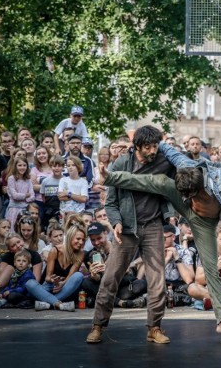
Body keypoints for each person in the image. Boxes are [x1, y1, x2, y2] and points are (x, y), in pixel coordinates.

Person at [94, 137, 221, 344]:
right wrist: (130, 151)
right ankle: (110, 177)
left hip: (204, 224)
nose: (191, 197)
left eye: (193, 194)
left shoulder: (219, 177)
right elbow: (165, 148)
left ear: (200, 187)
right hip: (185, 211)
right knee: (160, 181)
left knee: (211, 269)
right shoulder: (184, 165)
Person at [87, 126, 177, 345]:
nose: (153, 150)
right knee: (110, 278)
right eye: (148, 146)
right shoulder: (121, 164)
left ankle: (154, 328)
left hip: (153, 225)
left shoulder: (163, 162)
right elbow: (110, 202)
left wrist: (171, 213)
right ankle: (98, 326)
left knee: (157, 280)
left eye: (156, 145)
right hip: (126, 228)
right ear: (137, 146)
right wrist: (116, 222)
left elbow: (177, 179)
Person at [25, 225, 86, 311]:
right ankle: (58, 304)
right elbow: (47, 277)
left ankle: (49, 303)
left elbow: (70, 277)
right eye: (78, 239)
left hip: (65, 288)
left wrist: (62, 283)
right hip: (50, 286)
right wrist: (54, 280)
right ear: (70, 237)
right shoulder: (55, 250)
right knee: (30, 283)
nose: (81, 242)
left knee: (78, 275)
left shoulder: (80, 254)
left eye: (83, 240)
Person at [5, 157, 35, 229]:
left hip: (25, 209)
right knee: (13, 228)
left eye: (24, 165)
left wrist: (24, 198)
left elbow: (32, 196)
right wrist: (26, 195)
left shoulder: (28, 180)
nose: (22, 167)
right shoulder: (11, 179)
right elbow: (14, 196)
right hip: (14, 209)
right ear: (15, 166)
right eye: (20, 165)